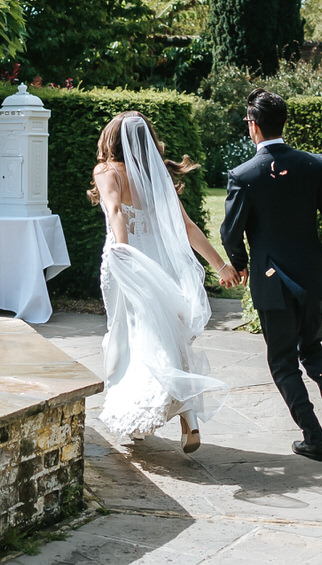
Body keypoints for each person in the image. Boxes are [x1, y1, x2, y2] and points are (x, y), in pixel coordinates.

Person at [221, 88, 322, 462]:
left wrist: (238, 263)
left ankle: (313, 437)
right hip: (311, 275)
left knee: (283, 360)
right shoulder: (312, 164)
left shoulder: (243, 175)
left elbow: (229, 230)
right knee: (313, 346)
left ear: (253, 126)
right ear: (282, 122)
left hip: (271, 283)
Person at [89, 111, 239, 453]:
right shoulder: (154, 180)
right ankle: (189, 417)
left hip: (124, 263)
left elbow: (114, 212)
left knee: (128, 336)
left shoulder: (106, 171)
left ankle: (138, 416)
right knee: (163, 335)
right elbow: (187, 228)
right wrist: (219, 265)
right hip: (158, 266)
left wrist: (125, 255)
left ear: (110, 140)